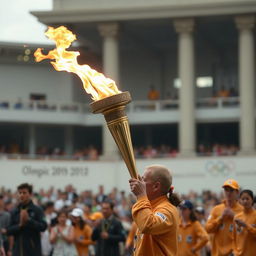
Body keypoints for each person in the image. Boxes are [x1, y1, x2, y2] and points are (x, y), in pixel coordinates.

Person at [129, 164, 181, 256]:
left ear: (156, 186)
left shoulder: (168, 210)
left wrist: (141, 196)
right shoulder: (149, 206)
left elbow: (148, 225)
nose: (139, 182)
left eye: (143, 180)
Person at [3, 183, 47, 256]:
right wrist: (20, 225)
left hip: (33, 251)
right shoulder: (14, 211)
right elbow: (8, 230)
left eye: (24, 193)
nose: (21, 195)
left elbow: (44, 227)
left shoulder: (37, 210)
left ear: (30, 194)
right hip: (17, 251)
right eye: (20, 193)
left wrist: (29, 220)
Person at [205, 179, 243, 256]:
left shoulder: (242, 210)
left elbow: (246, 231)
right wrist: (220, 218)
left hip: (235, 253)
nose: (228, 193)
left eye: (231, 190)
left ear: (237, 192)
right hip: (218, 253)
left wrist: (234, 217)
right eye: (226, 190)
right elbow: (207, 229)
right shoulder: (216, 209)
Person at [233, 189, 256, 256]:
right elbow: (234, 238)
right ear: (240, 201)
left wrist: (246, 225)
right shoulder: (237, 217)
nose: (245, 201)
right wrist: (235, 252)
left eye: (247, 199)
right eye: (243, 199)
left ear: (252, 200)